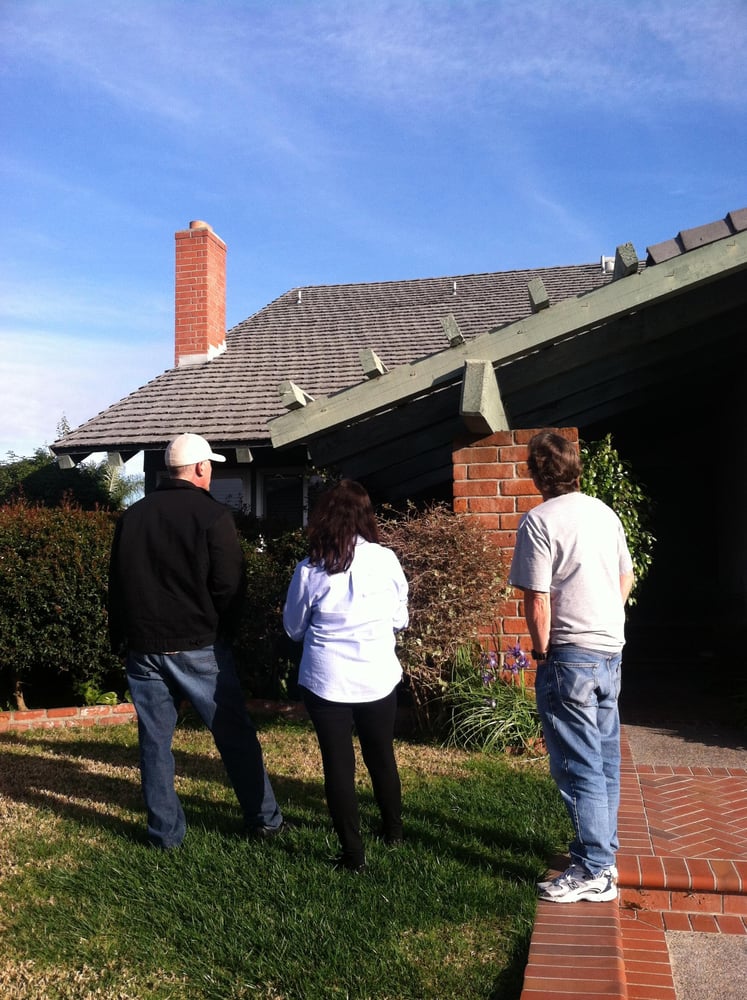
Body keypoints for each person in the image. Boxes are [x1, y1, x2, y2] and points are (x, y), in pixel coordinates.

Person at [108, 432, 286, 849]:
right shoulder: (212, 516)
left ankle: (164, 836)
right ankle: (265, 821)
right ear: (202, 468)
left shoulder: (131, 517)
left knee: (155, 742)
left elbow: (117, 587)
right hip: (199, 646)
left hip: (144, 648)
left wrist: (123, 638)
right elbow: (230, 586)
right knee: (234, 735)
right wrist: (228, 632)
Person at [509, 431, 634, 903]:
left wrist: (542, 653)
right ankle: (601, 853)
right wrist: (608, 615)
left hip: (569, 655)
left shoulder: (539, 521)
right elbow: (627, 574)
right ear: (575, 467)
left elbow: (537, 599)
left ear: (537, 472)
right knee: (603, 760)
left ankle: (594, 870)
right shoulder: (605, 512)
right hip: (609, 651)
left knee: (576, 764)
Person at [283, 480, 408, 872]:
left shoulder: (310, 569)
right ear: (365, 516)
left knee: (337, 764)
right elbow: (399, 618)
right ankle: (394, 832)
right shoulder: (386, 560)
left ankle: (353, 855)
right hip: (376, 674)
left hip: (326, 678)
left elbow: (293, 628)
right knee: (381, 755)